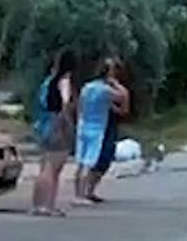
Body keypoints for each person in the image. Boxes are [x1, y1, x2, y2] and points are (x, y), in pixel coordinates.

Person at [75, 58, 129, 204]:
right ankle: (82, 195)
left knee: (81, 161)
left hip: (83, 125)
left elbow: (80, 106)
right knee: (89, 162)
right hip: (97, 127)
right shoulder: (105, 90)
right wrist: (116, 84)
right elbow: (123, 98)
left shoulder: (87, 87)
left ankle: (78, 193)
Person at [31, 49, 77, 217]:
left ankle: (39, 204)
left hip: (43, 124)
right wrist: (67, 122)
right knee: (53, 168)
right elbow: (65, 103)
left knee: (44, 166)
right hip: (57, 126)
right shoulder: (64, 81)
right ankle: (47, 205)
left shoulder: (48, 81)